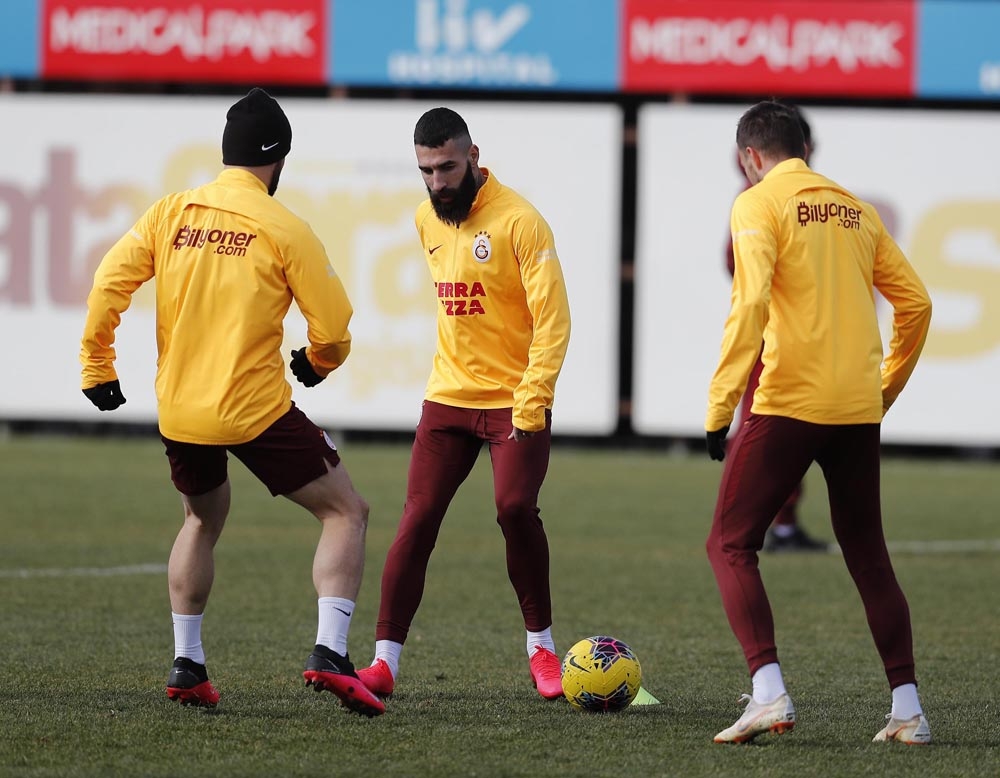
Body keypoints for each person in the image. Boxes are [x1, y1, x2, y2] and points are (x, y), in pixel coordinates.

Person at [79, 87, 384, 717]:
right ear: (278, 159)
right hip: (255, 412)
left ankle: (187, 664)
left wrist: (97, 365)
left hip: (182, 412)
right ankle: (330, 651)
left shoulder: (172, 212)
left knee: (200, 519)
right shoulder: (283, 227)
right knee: (345, 512)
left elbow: (111, 279)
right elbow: (333, 327)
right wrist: (317, 363)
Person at [704, 101, 933, 745]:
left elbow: (747, 305)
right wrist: (882, 390)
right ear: (802, 147)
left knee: (729, 543)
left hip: (788, 402)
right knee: (868, 554)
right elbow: (917, 303)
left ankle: (769, 692)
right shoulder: (855, 208)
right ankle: (908, 711)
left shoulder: (756, 203)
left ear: (751, 157)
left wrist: (720, 406)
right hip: (857, 408)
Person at [355, 107, 572, 702]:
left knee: (513, 509)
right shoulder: (426, 219)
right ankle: (383, 665)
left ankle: (542, 649)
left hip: (514, 402)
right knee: (417, 518)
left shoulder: (522, 222)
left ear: (474, 155)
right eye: (425, 170)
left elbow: (553, 321)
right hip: (448, 398)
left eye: (446, 167)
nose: (436, 182)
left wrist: (532, 397)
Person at [723, 105, 825, 553]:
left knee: (783, 430)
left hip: (796, 335)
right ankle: (753, 520)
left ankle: (777, 522)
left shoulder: (797, 197)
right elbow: (735, 264)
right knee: (760, 427)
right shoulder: (762, 198)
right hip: (775, 336)